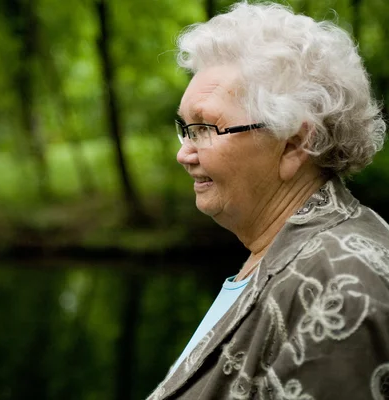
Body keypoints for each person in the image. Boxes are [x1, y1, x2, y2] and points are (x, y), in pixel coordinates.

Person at [148, 2, 389, 400]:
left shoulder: (343, 284)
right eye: (185, 129)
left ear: (294, 143)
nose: (184, 154)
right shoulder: (276, 257)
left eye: (205, 127)